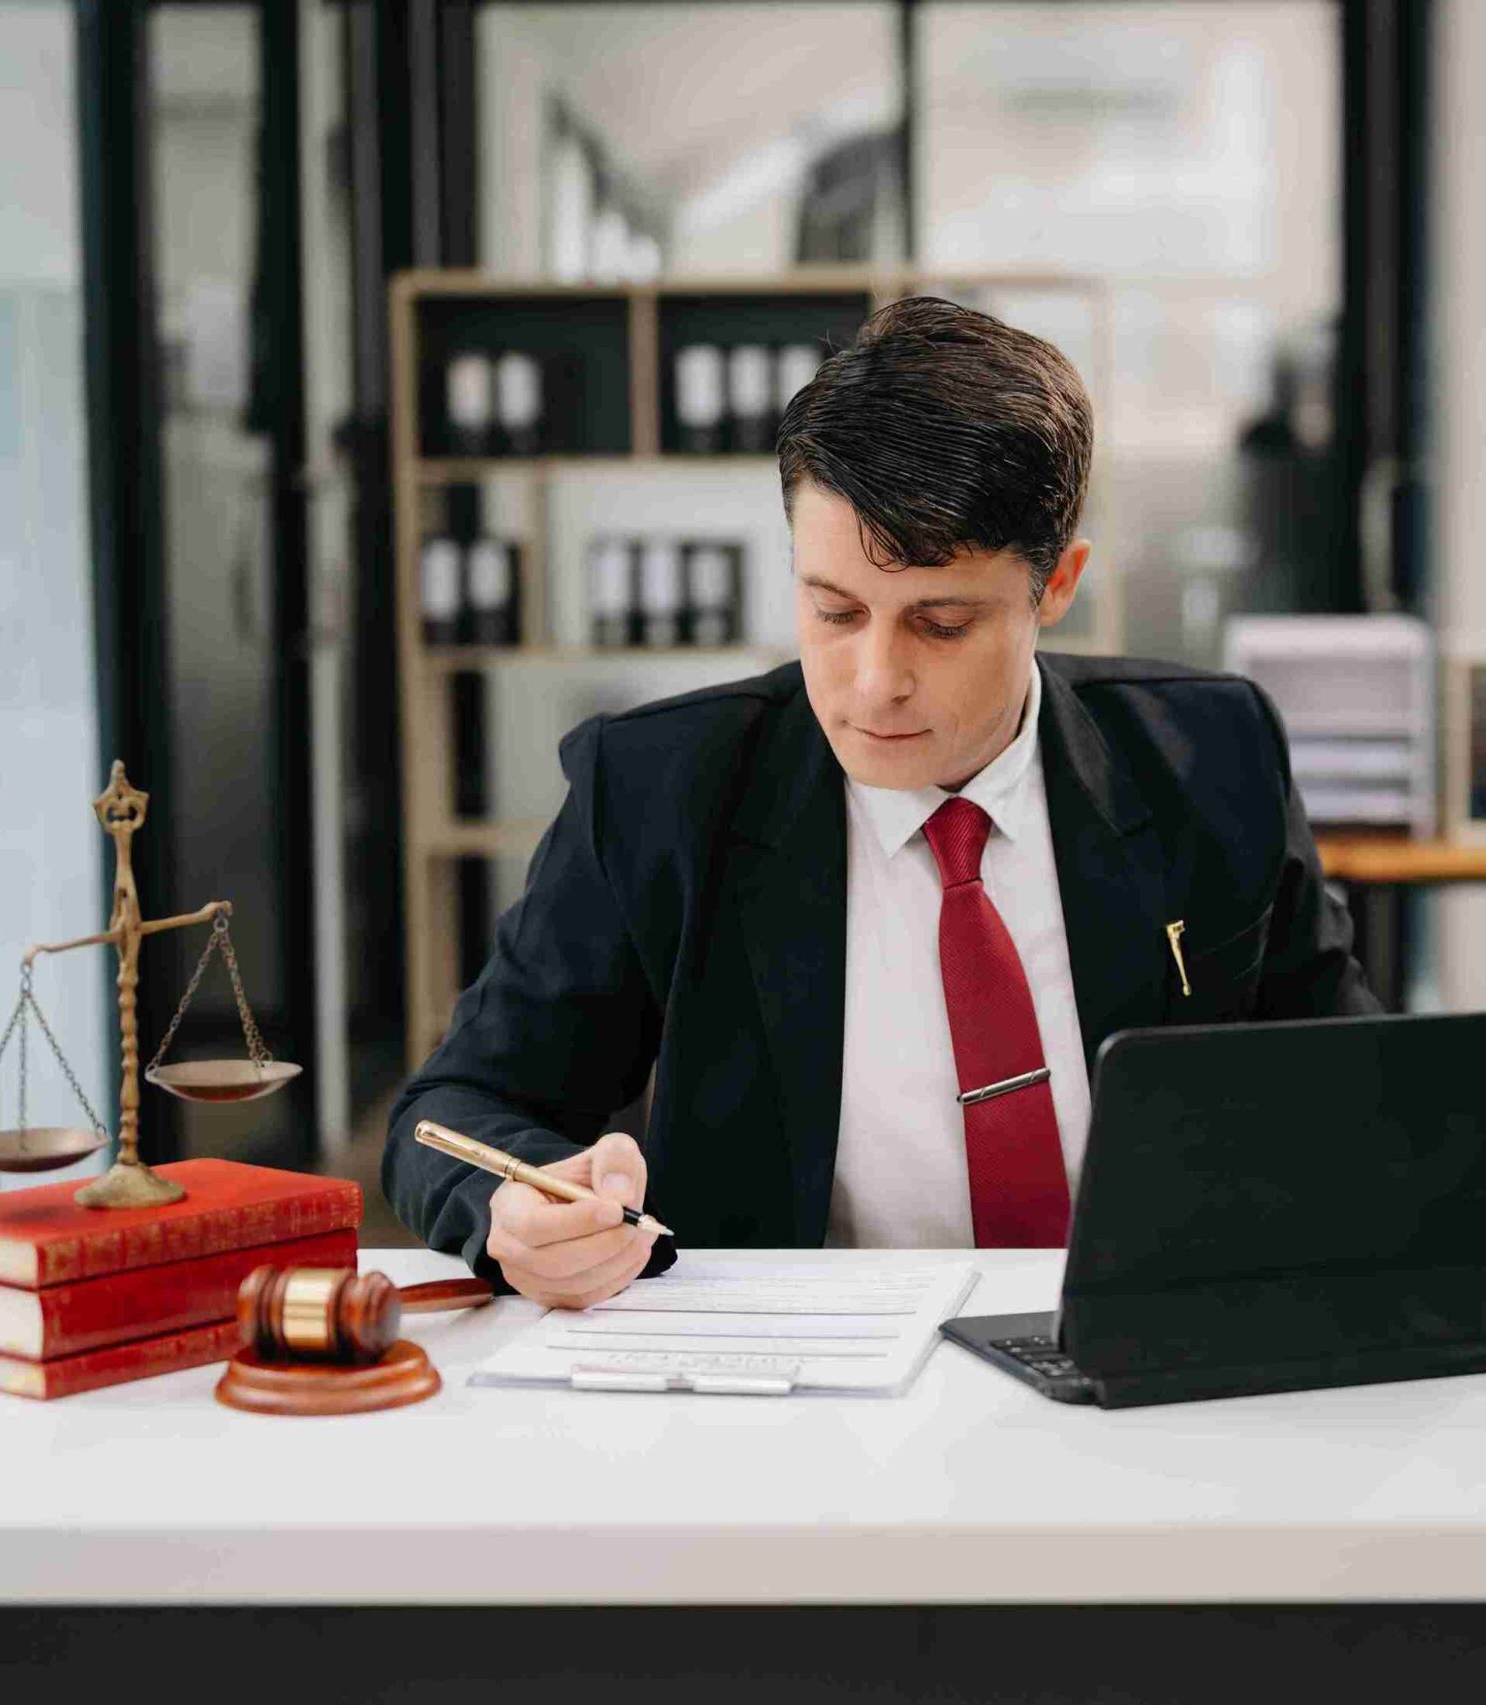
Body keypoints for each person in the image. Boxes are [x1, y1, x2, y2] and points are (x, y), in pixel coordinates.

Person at [386, 296, 1378, 1307]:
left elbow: (1351, 1090)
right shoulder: (658, 791)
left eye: (939, 623)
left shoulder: (1210, 757)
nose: (872, 682)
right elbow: (454, 1106)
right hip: (802, 1382)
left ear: (1055, 584)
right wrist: (516, 1211)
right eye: (834, 611)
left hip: (1150, 1349)